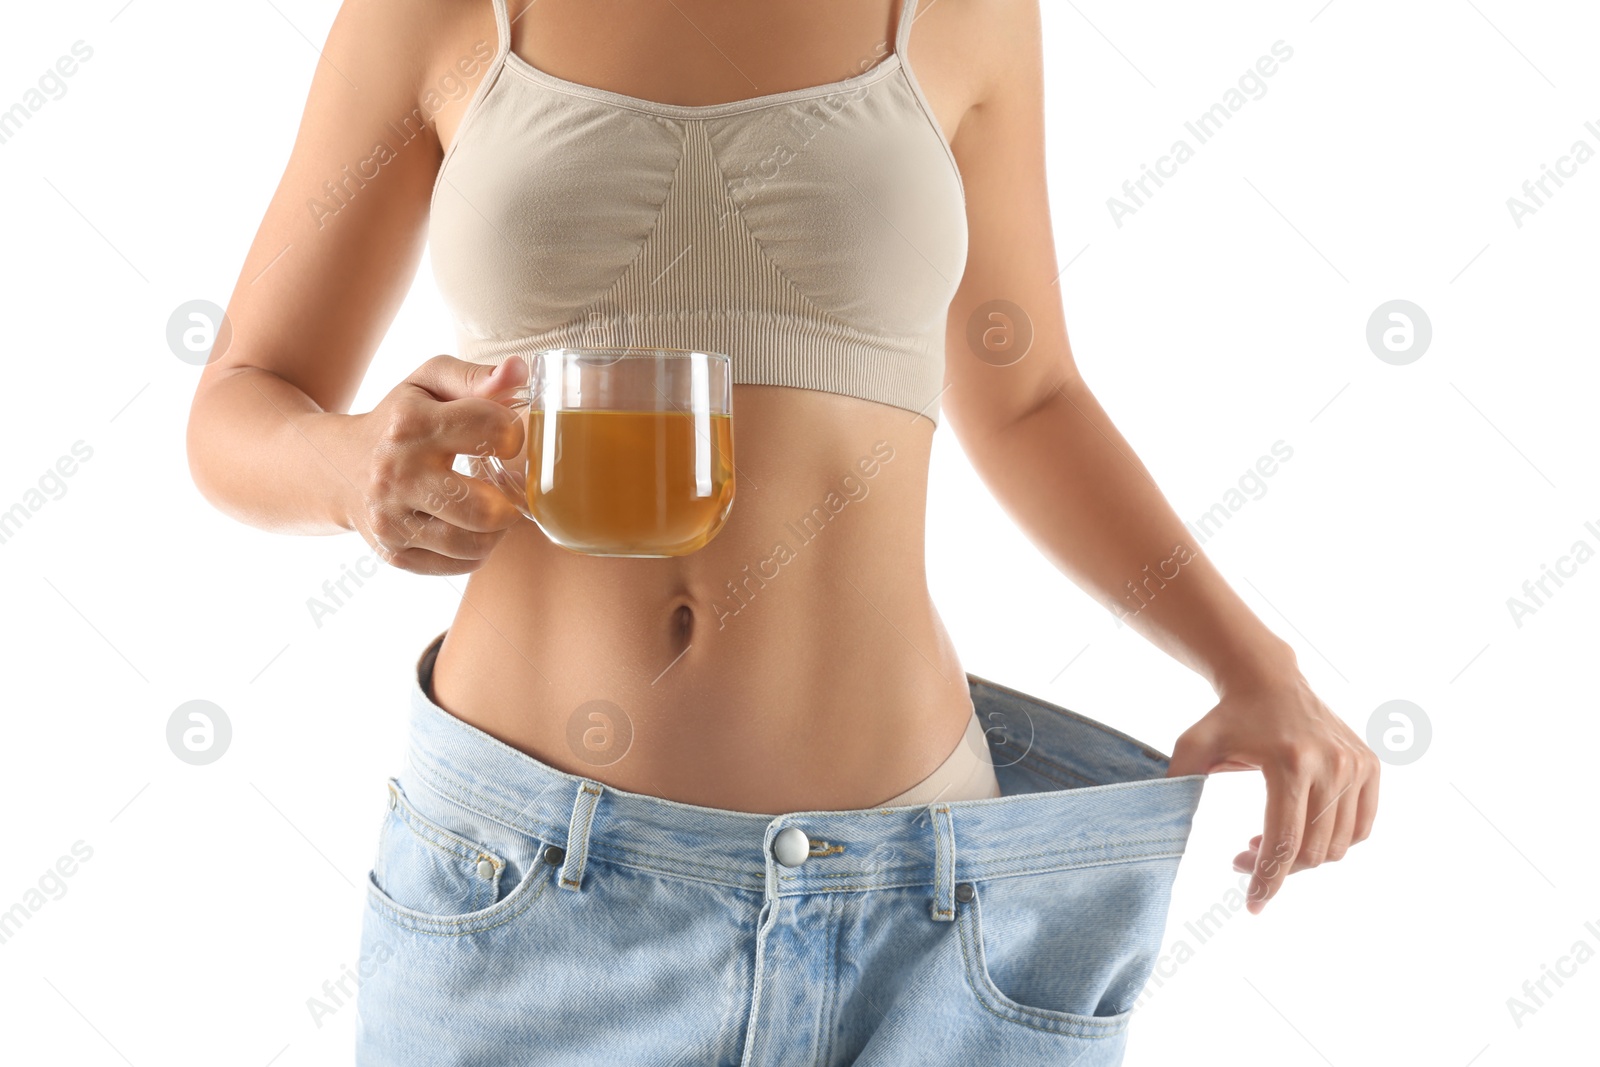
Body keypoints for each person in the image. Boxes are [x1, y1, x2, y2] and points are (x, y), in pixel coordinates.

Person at [185, 1, 1380, 1063]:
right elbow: (242, 393)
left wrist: (1250, 662)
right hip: (530, 898)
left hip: (923, 911)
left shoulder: (965, 12)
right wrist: (348, 469)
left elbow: (1027, 396)